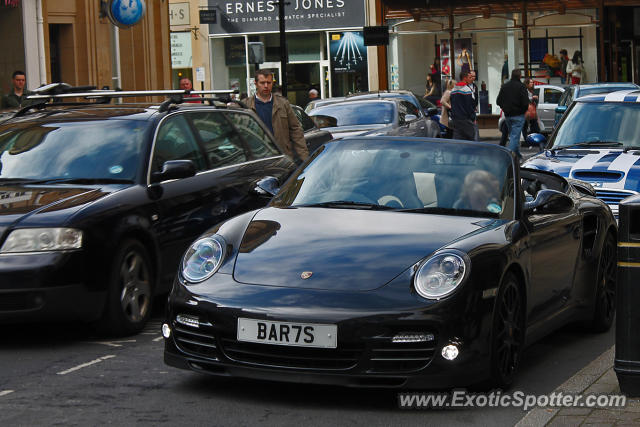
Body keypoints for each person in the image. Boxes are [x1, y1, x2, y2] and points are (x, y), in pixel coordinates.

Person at [245, 69, 308, 163]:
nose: (266, 86)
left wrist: (305, 158)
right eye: (262, 83)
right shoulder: (246, 105)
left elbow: (296, 130)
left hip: (282, 157)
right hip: (257, 159)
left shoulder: (283, 104)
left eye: (269, 83)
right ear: (256, 83)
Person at [496, 69, 530, 160]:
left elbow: (498, 101)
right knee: (515, 137)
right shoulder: (521, 87)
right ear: (520, 76)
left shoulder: (505, 86)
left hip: (508, 115)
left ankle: (517, 156)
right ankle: (509, 156)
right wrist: (524, 110)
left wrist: (504, 108)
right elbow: (525, 102)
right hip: (518, 115)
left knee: (513, 136)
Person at [449, 70, 476, 141]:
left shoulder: (453, 89)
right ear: (465, 78)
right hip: (465, 120)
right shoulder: (466, 90)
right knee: (471, 140)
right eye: (469, 77)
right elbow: (469, 106)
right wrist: (473, 117)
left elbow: (452, 104)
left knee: (458, 141)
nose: (471, 79)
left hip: (456, 120)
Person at [469, 70, 480, 141]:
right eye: (472, 76)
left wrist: (475, 105)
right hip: (466, 109)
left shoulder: (475, 86)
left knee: (474, 125)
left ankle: (475, 140)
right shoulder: (464, 85)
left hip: (473, 108)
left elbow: (476, 97)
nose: (473, 78)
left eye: (474, 76)